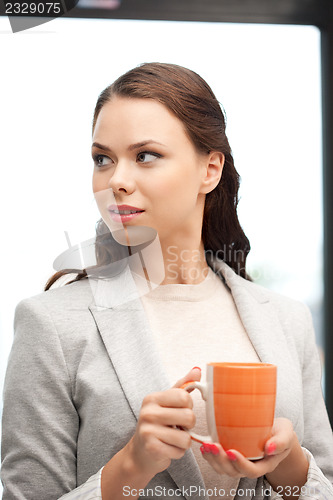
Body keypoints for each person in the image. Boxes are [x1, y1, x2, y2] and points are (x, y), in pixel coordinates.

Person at [1, 62, 333, 500]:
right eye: (103, 158)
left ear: (209, 170)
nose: (116, 180)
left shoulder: (288, 321)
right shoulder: (52, 325)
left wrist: (289, 462)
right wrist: (130, 466)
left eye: (145, 155)